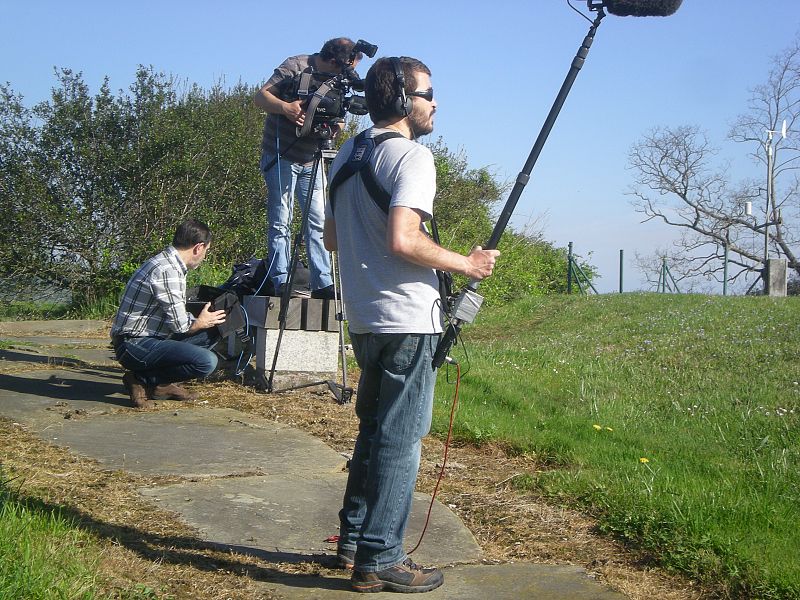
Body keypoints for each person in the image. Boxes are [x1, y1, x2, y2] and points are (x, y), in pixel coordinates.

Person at [324, 56, 500, 594]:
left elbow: (332, 240)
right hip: (405, 319)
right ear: (403, 101)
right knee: (401, 440)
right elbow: (405, 240)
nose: (434, 102)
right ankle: (381, 558)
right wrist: (467, 264)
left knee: (373, 431)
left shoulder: (348, 155)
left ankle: (353, 541)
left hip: (364, 319)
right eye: (428, 93)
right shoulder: (414, 158)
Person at [254, 37, 362, 300]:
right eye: (346, 67)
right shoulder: (296, 65)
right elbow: (260, 97)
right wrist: (285, 108)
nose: (347, 74)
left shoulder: (339, 79)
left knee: (318, 221)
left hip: (312, 156)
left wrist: (337, 126)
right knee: (281, 219)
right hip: (281, 154)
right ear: (333, 60)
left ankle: (322, 283)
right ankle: (280, 281)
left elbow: (338, 112)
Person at [110, 219, 227, 409]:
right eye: (206, 250)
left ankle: (161, 386)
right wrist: (200, 321)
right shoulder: (168, 270)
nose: (205, 256)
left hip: (148, 339)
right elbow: (180, 326)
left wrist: (206, 322)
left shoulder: (169, 263)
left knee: (213, 330)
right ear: (198, 248)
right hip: (134, 344)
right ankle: (142, 379)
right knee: (207, 361)